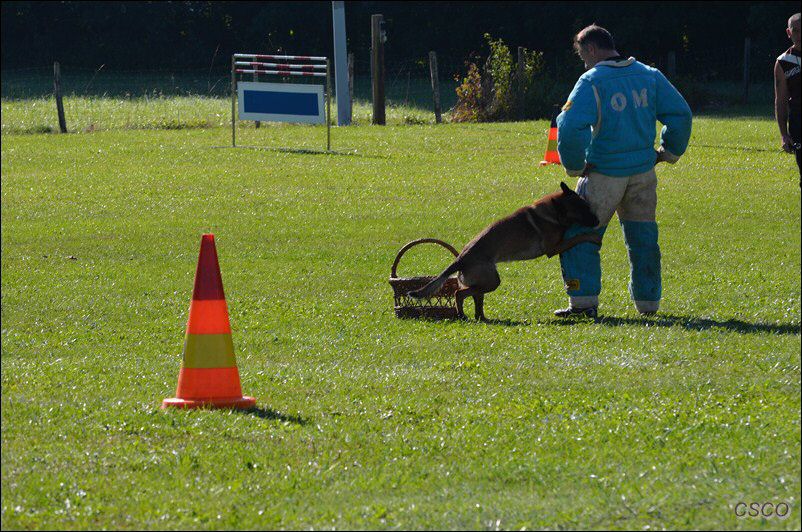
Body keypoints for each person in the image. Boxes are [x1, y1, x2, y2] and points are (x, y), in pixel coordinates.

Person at [553, 24, 692, 318]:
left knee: (581, 235)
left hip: (603, 175)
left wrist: (576, 166)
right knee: (643, 239)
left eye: (582, 55)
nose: (584, 62)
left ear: (591, 49)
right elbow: (681, 114)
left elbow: (568, 125)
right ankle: (648, 303)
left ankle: (583, 302)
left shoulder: (591, 81)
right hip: (643, 174)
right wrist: (668, 152)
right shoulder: (649, 75)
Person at [774, 13, 801, 181]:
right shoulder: (783, 62)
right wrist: (784, 134)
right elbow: (781, 101)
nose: (800, 35)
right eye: (796, 31)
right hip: (799, 124)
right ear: (788, 33)